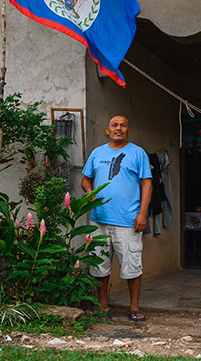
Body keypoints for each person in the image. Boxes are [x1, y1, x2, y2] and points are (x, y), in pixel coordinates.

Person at [81, 115, 152, 321]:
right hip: (99, 219)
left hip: (128, 220)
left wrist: (142, 214)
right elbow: (86, 180)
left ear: (128, 131)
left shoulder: (138, 153)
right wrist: (89, 193)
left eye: (123, 125)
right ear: (108, 130)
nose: (118, 128)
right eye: (114, 125)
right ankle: (102, 305)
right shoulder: (97, 153)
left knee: (132, 265)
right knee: (99, 265)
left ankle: (134, 306)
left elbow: (146, 184)